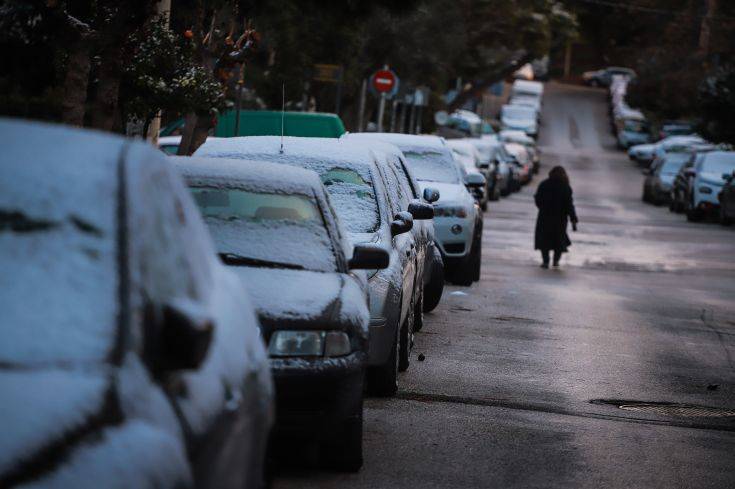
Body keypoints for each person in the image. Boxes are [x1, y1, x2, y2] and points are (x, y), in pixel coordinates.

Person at [534, 166, 578, 268]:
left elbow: (538, 199)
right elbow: (569, 204)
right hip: (560, 219)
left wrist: (542, 208)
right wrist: (573, 218)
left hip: (545, 217)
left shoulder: (544, 184)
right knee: (558, 240)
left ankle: (545, 261)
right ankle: (555, 261)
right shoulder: (565, 187)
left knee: (544, 239)